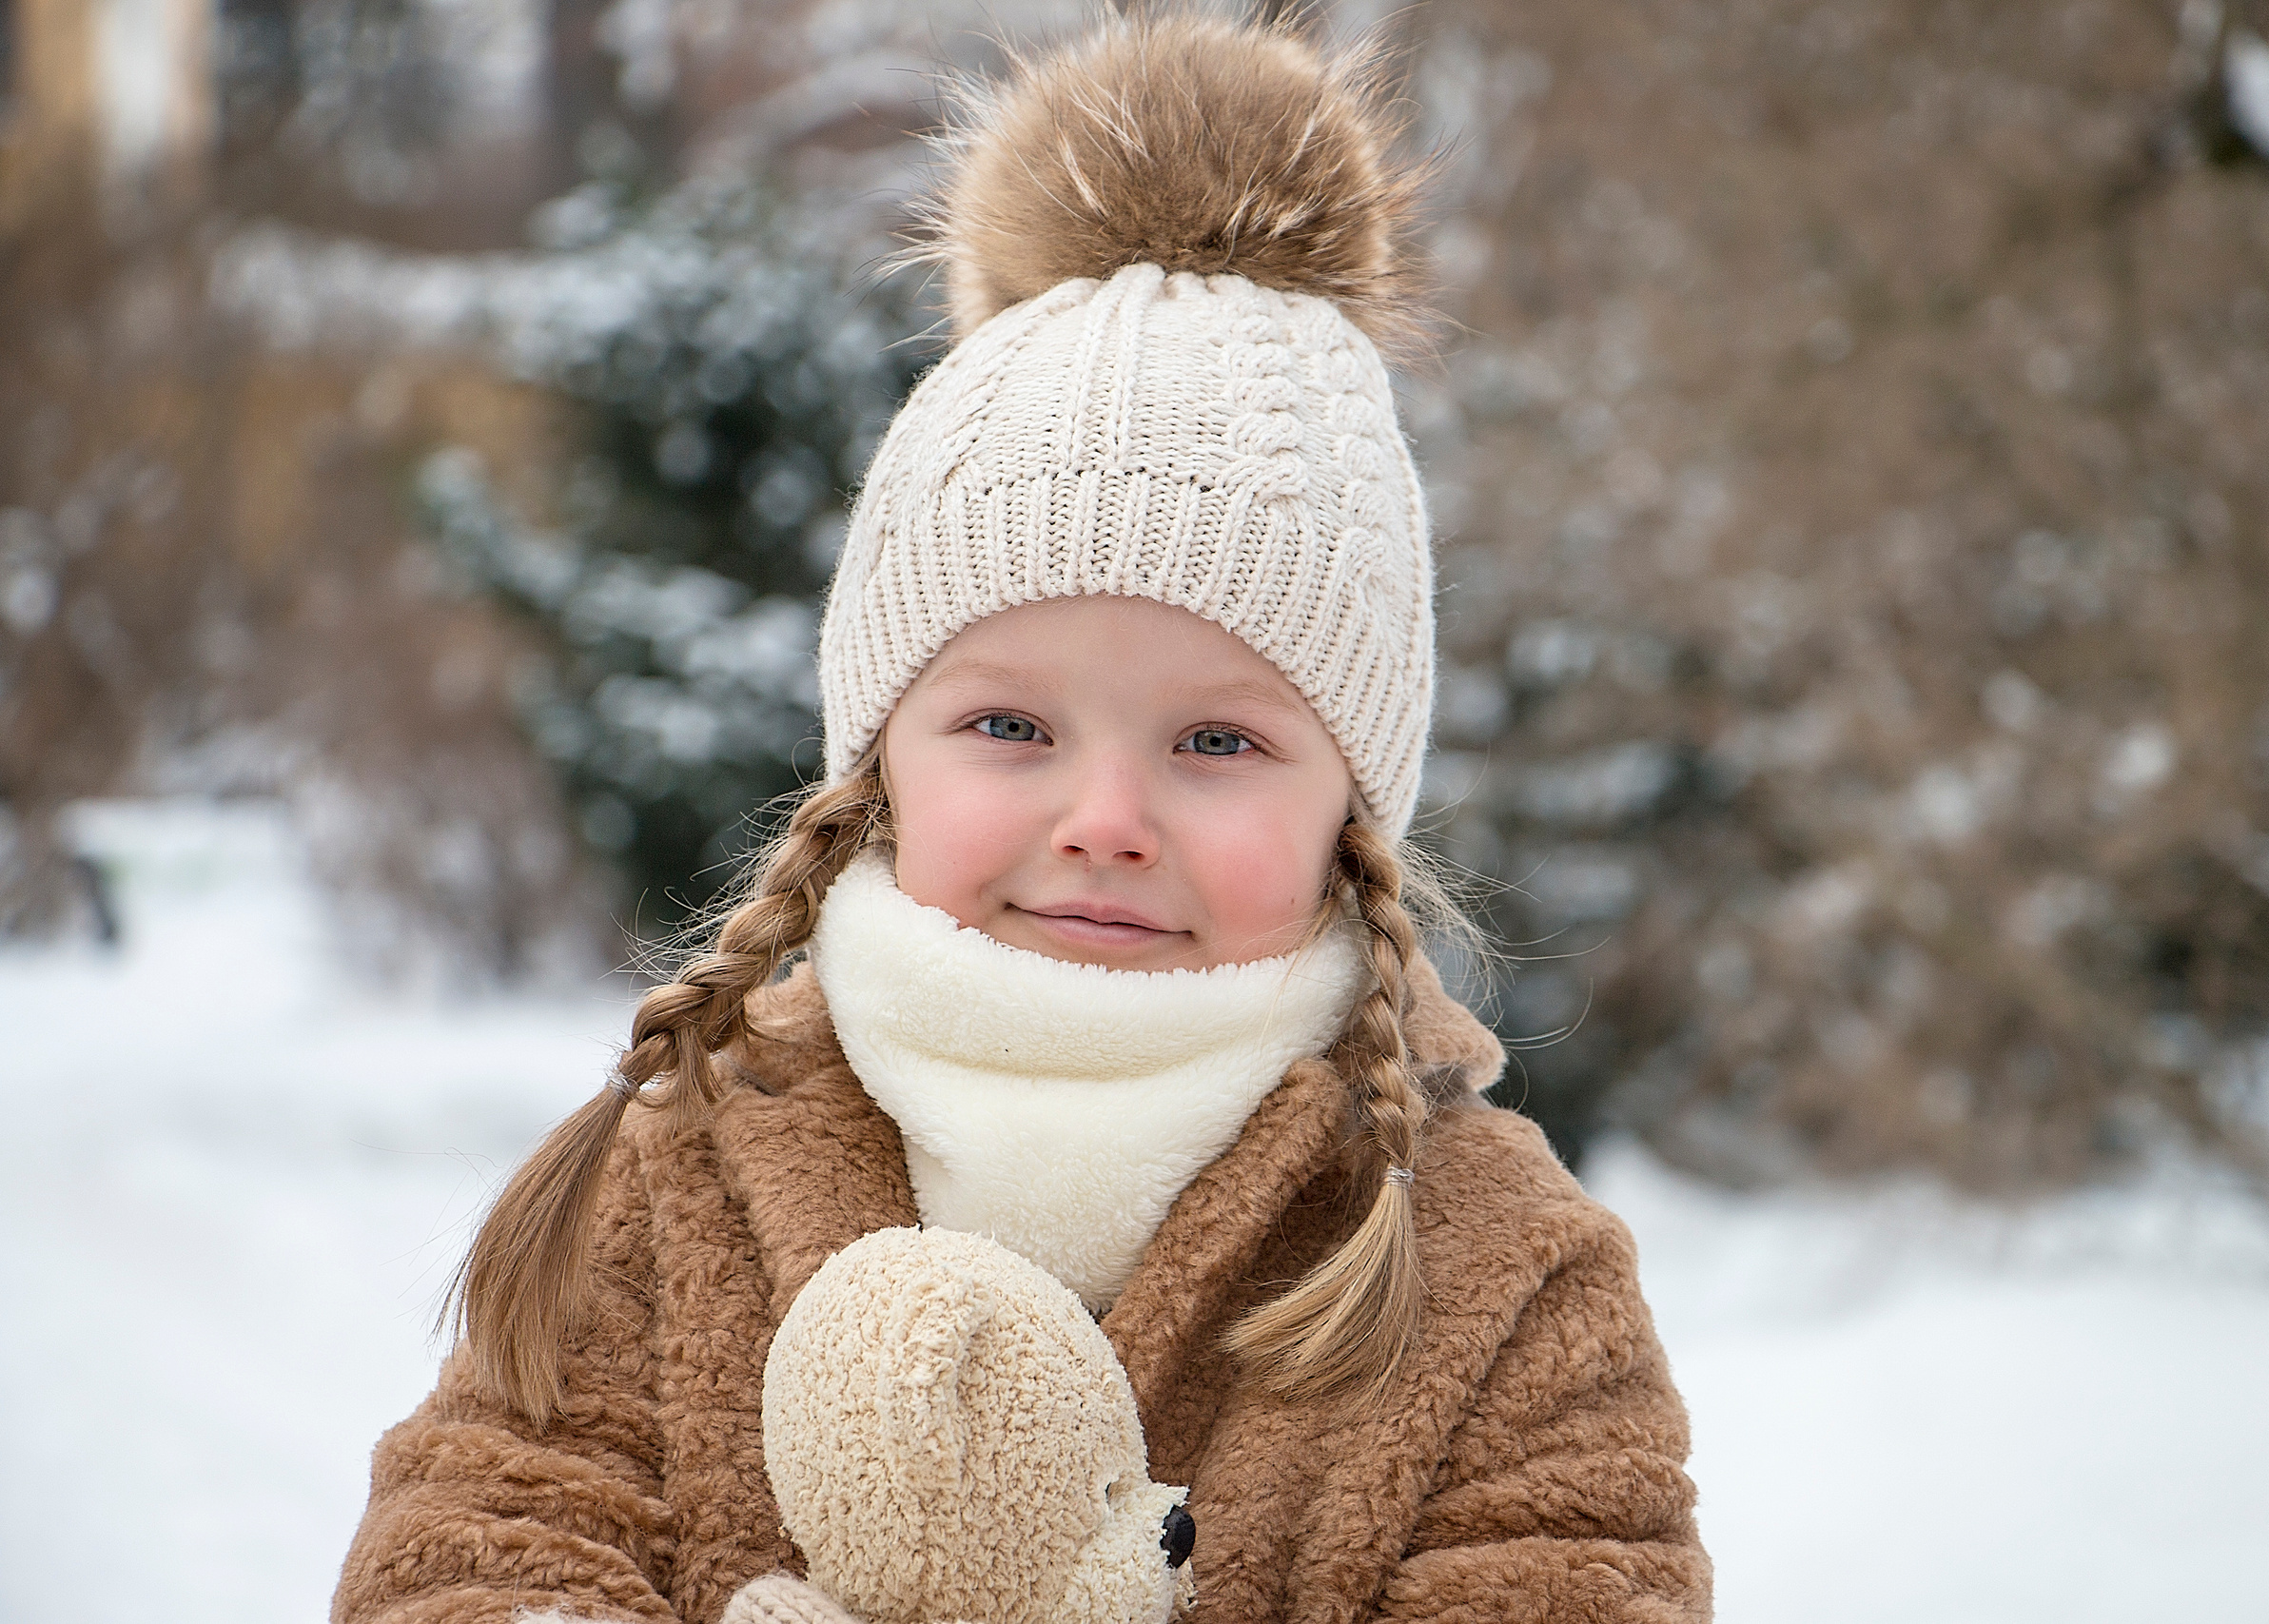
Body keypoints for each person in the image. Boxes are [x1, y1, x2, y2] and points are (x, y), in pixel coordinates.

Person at [335, 13, 1712, 1624]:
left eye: (1218, 739)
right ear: (880, 762)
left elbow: (1572, 1578)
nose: (1108, 817)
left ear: (1354, 804)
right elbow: (478, 1551)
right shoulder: (681, 1179)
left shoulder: (1497, 1274)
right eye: (1009, 725)